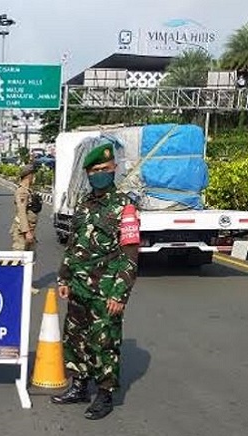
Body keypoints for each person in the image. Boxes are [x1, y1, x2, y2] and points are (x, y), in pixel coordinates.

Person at [51, 142, 139, 420]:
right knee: (75, 339)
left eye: (105, 169)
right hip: (78, 287)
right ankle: (78, 385)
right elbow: (73, 245)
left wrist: (119, 294)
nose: (100, 173)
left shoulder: (125, 207)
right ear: (88, 174)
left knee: (104, 342)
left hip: (106, 290)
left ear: (114, 169)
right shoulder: (83, 204)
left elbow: (130, 256)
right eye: (95, 170)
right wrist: (64, 276)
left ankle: (104, 394)